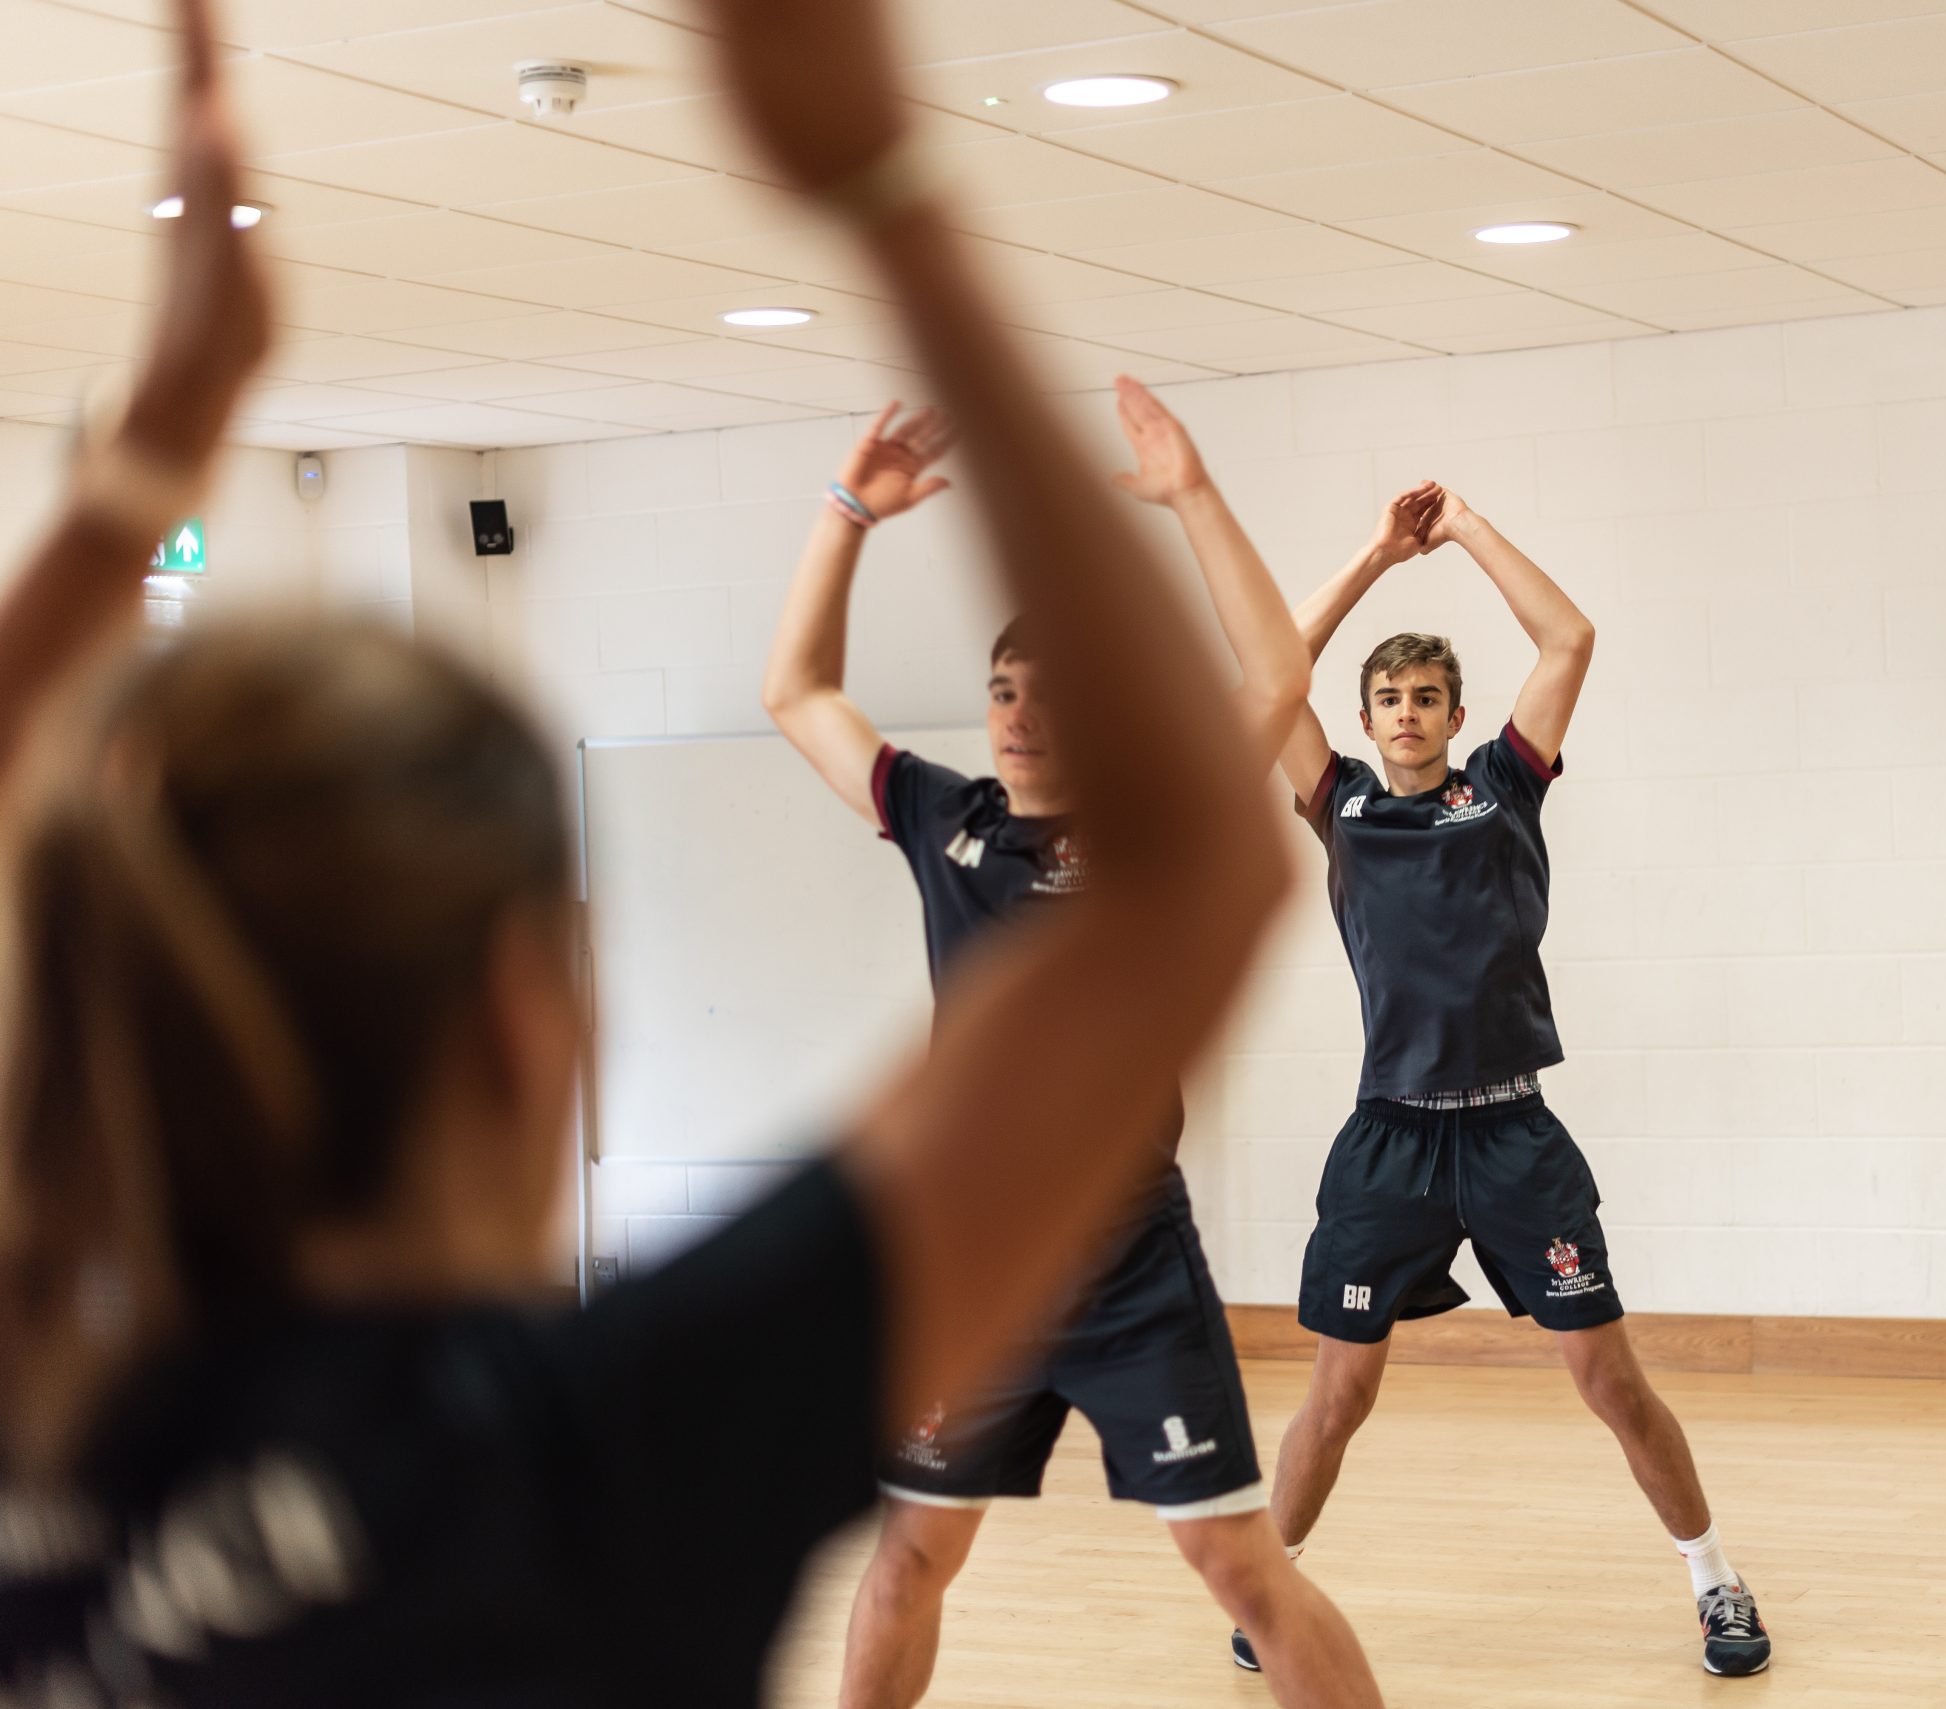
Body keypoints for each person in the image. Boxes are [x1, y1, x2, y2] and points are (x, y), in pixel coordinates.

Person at [0, 0, 1291, 1700]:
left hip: (1135, 1263)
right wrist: (878, 182)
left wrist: (144, 469)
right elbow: (1207, 869)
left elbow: (1180, 844)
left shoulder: (42, 1427)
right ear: (530, 1015)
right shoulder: (580, 1456)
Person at [761, 376, 1383, 1709]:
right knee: (908, 1556)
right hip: (973, 1268)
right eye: (1001, 690)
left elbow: (1278, 678)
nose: (1017, 713)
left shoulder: (1156, 827)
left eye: (1047, 693)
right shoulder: (944, 821)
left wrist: (1193, 497)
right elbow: (796, 689)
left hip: (1128, 1260)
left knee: (1237, 1561)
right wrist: (845, 514)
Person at [1213, 481, 1772, 1679]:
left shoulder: (1502, 785)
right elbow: (1266, 670)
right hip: (1390, 1141)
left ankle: (1716, 1581)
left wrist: (1461, 527)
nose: (1407, 712)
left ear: (1455, 712)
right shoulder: (1339, 804)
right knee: (1336, 1396)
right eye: (1388, 697)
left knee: (1609, 1379)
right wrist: (1376, 552)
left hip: (1514, 1132)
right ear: (1364, 717)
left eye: (1426, 696)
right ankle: (1266, 1592)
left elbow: (1569, 637)